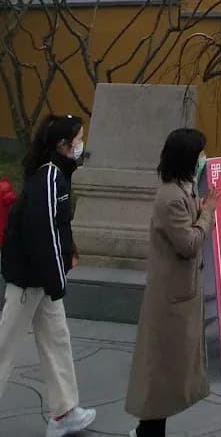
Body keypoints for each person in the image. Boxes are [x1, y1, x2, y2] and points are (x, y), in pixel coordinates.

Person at [0, 114, 96, 436]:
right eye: (78, 139)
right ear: (63, 145)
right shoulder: (51, 177)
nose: (82, 145)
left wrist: (67, 255)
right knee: (5, 345)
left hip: (40, 278)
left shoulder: (54, 174)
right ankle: (64, 412)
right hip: (31, 279)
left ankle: (64, 412)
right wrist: (58, 278)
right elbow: (45, 233)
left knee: (57, 340)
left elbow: (56, 229)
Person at [125, 128, 220, 437]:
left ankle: (150, 428)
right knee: (161, 375)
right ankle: (148, 430)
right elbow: (189, 242)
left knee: (170, 375)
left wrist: (202, 210)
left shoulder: (184, 187)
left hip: (182, 295)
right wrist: (207, 214)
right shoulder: (169, 198)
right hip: (169, 302)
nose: (202, 159)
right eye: (199, 154)